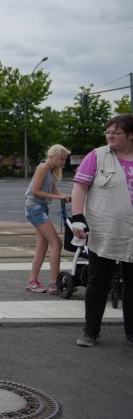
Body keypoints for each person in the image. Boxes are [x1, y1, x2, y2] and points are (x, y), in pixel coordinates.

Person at [71, 113, 133, 348]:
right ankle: (91, 330)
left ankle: (131, 332)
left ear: (130, 135)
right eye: (107, 132)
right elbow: (80, 187)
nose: (109, 136)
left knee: (132, 283)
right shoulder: (96, 156)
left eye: (115, 133)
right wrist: (78, 218)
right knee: (99, 280)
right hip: (105, 228)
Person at [24, 144, 71, 294]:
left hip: (39, 208)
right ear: (54, 156)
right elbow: (35, 191)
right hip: (34, 208)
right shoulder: (43, 167)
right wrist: (59, 197)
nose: (63, 163)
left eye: (64, 160)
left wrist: (67, 196)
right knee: (56, 242)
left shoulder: (51, 171)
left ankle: (32, 281)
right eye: (62, 159)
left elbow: (55, 191)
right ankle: (54, 284)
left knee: (42, 245)